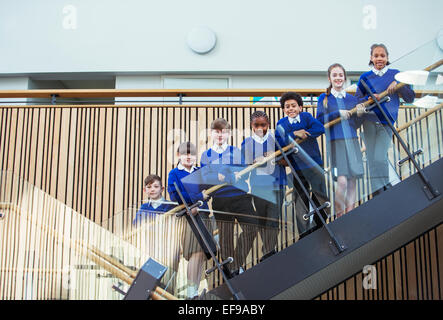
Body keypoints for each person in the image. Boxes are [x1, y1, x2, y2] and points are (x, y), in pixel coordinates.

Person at [355, 43, 415, 196]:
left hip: (386, 122)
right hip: (368, 122)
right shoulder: (364, 78)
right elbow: (357, 100)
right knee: (372, 159)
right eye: (376, 56)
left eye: (382, 55)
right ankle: (379, 195)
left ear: (387, 58)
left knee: (380, 156)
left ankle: (386, 191)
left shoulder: (396, 74)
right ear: (371, 58)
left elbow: (410, 98)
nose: (379, 58)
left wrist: (399, 84)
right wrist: (368, 98)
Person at [200, 118, 257, 275]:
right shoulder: (206, 155)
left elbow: (244, 171)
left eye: (223, 132)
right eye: (217, 132)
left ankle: (236, 264)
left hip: (240, 196)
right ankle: (230, 272)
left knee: (252, 227)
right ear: (211, 134)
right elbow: (205, 177)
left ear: (229, 134)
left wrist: (224, 172)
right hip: (220, 200)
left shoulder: (236, 151)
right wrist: (220, 174)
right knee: (225, 238)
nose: (220, 135)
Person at [275, 91, 328, 238]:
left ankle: (320, 224)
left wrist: (306, 132)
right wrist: (294, 134)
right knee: (300, 199)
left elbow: (320, 128)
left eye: (293, 106)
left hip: (314, 163)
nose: (290, 109)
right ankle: (304, 232)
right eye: (287, 107)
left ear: (300, 107)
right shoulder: (281, 124)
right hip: (297, 167)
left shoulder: (306, 117)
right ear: (283, 109)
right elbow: (280, 142)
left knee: (320, 194)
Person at [167, 142, 216, 299]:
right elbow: (175, 195)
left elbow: (209, 190)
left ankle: (194, 291)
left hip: (203, 214)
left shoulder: (200, 171)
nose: (189, 157)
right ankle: (190, 292)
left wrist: (198, 200)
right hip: (187, 217)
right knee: (194, 252)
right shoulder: (174, 173)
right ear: (179, 156)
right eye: (185, 154)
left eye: (192, 154)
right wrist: (197, 198)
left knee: (203, 253)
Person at [316, 63, 364, 218]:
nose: (338, 78)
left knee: (352, 181)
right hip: (336, 143)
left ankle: (350, 214)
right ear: (329, 78)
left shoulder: (352, 99)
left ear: (345, 77)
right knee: (342, 182)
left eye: (340, 75)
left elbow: (355, 124)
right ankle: (339, 216)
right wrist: (337, 114)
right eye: (335, 75)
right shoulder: (324, 98)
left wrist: (360, 115)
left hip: (352, 141)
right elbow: (320, 121)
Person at [241, 110, 286, 259]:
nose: (260, 128)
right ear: (251, 125)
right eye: (257, 125)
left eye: (264, 125)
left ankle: (268, 252)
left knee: (273, 221)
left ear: (268, 124)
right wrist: (254, 162)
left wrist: (272, 157)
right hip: (258, 187)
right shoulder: (246, 143)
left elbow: (287, 161)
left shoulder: (276, 140)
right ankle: (268, 250)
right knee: (262, 221)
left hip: (276, 186)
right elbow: (244, 168)